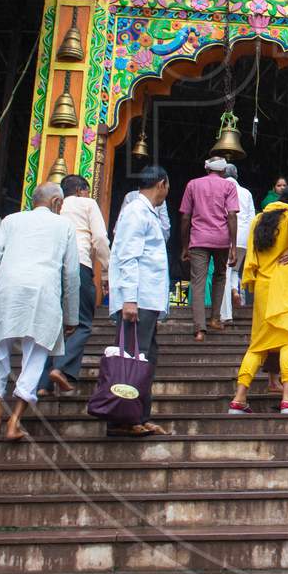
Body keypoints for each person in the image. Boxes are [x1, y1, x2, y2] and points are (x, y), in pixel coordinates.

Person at [0, 183, 77, 441]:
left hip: (6, 291)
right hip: (44, 295)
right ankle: (14, 422)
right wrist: (71, 315)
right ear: (55, 202)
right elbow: (71, 274)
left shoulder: (11, 221)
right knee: (34, 360)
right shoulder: (64, 226)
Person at [228, 185, 288, 416]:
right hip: (286, 288)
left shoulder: (259, 219)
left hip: (263, 289)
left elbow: (252, 255)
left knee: (257, 346)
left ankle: (238, 399)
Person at [108, 166, 171, 437]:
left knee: (145, 358)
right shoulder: (136, 211)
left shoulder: (147, 211)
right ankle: (123, 419)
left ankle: (139, 416)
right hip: (139, 299)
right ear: (161, 184)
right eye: (167, 187)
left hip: (148, 300)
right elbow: (128, 256)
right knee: (133, 358)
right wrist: (130, 300)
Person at [38, 174, 109, 396]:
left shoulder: (54, 207)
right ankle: (60, 368)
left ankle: (42, 384)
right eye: (86, 191)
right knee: (83, 324)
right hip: (79, 266)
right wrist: (107, 272)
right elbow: (99, 239)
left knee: (55, 327)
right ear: (80, 190)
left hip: (51, 269)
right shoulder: (87, 203)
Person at [178, 157, 239, 341]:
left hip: (198, 239)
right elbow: (231, 216)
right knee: (220, 276)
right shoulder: (229, 187)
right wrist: (233, 246)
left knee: (198, 281)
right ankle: (215, 318)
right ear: (223, 171)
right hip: (221, 239)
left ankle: (199, 329)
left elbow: (185, 217)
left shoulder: (193, 185)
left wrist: (184, 245)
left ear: (207, 169)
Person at [222, 163, 255, 313]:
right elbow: (252, 218)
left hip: (226, 236)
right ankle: (235, 291)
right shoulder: (246, 192)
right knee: (234, 270)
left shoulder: (221, 188)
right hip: (244, 239)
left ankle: (225, 312)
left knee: (223, 272)